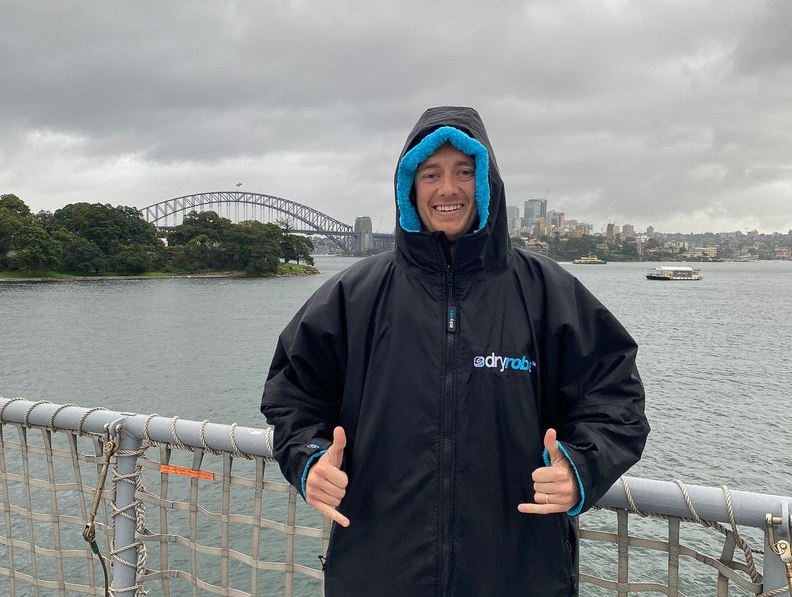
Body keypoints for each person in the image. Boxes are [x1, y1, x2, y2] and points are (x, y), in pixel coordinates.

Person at [261, 106, 649, 596]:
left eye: (465, 171)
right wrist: (309, 459)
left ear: (487, 182)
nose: (448, 189)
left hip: (520, 576)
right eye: (430, 173)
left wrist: (583, 467)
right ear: (409, 186)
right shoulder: (352, 297)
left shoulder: (549, 293)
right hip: (378, 574)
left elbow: (617, 398)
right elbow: (291, 395)